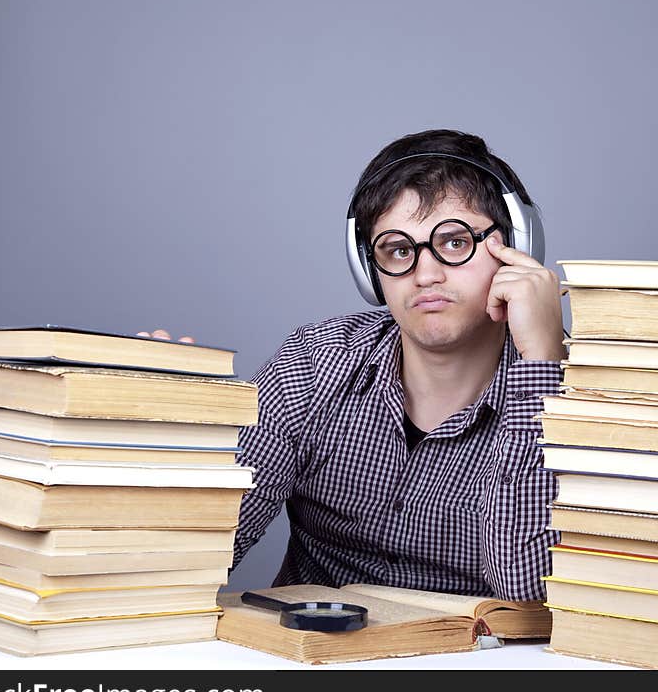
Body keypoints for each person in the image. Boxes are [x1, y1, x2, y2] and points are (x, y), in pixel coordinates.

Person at [142, 129, 566, 601]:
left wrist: (542, 367)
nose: (425, 275)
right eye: (399, 250)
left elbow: (531, 590)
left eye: (453, 242)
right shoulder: (315, 364)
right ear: (369, 268)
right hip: (308, 658)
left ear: (519, 246)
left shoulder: (588, 396)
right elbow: (183, 563)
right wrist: (164, 444)